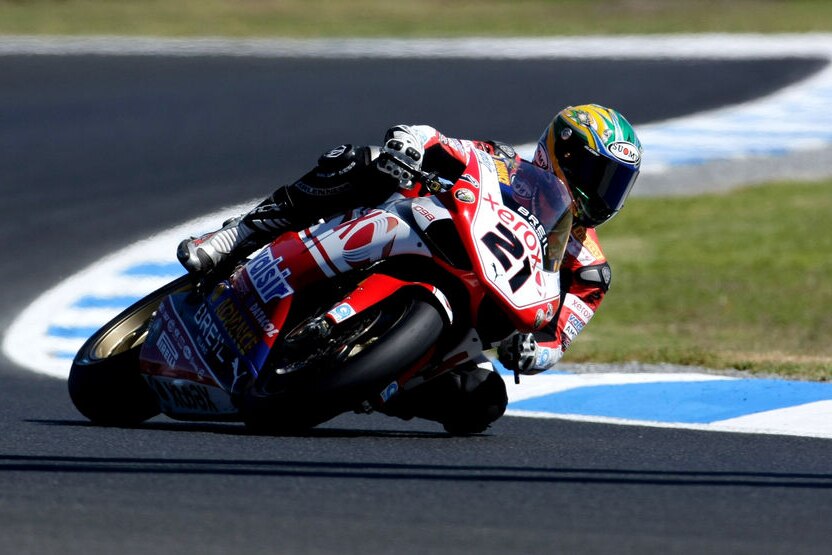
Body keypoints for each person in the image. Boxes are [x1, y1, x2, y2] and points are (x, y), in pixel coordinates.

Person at [177, 104, 642, 433]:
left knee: (483, 403)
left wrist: (532, 353)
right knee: (359, 162)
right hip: (414, 236)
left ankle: (370, 380)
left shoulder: (590, 270)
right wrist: (408, 145)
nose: (601, 196)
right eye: (595, 176)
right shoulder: (504, 164)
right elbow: (435, 140)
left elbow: (559, 337)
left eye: (615, 186)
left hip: (465, 327)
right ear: (562, 154)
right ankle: (239, 234)